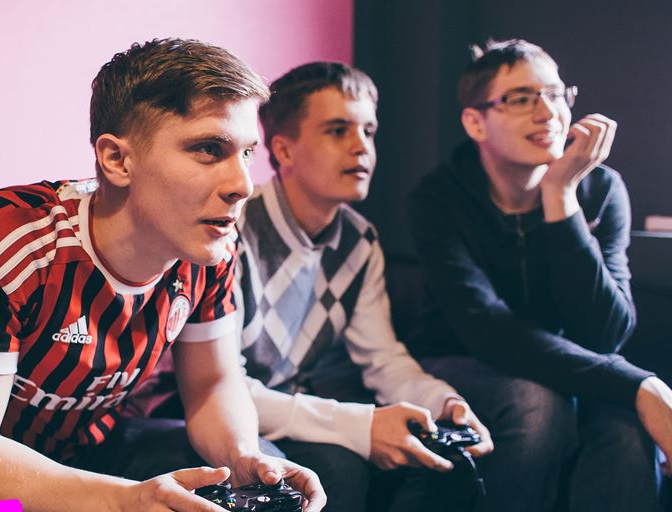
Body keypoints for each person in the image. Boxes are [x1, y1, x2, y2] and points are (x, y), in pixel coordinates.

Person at [0, 38, 326, 512]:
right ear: (117, 160)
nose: (242, 185)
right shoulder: (1, 237)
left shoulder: (210, 246)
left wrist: (243, 455)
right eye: (208, 149)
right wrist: (124, 501)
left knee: (261, 480)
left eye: (245, 154)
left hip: (96, 449)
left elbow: (212, 385)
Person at [408, 38, 672, 512]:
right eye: (521, 98)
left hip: (571, 359)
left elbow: (605, 332)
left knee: (627, 432)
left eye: (555, 95)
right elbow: (485, 329)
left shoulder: (601, 189)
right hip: (461, 358)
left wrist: (562, 197)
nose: (547, 112)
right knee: (538, 407)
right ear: (475, 121)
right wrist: (639, 383)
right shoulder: (439, 198)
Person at [234, 61, 493, 511]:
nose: (362, 148)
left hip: (288, 406)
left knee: (433, 460)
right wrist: (360, 425)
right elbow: (220, 390)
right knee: (335, 469)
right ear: (284, 150)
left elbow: (383, 359)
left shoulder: (360, 241)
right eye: (338, 130)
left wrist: (441, 402)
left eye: (369, 131)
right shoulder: (231, 228)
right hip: (199, 413)